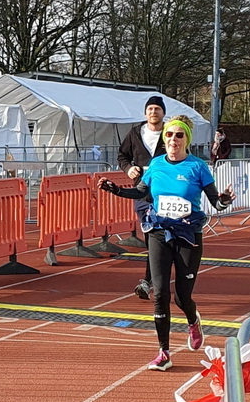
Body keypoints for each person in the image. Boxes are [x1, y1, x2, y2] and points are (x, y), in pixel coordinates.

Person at [99, 115, 235, 371]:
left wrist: (225, 200)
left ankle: (193, 320)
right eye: (169, 135)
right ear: (165, 139)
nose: (173, 139)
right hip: (159, 231)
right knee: (160, 293)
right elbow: (141, 191)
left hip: (188, 235)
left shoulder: (197, 167)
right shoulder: (156, 165)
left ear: (187, 140)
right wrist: (115, 189)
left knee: (182, 298)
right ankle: (164, 352)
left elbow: (215, 202)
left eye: (179, 135)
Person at [116, 95, 166, 300]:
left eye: (157, 109)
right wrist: (129, 169)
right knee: (150, 235)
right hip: (142, 192)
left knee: (161, 236)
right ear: (145, 113)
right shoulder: (135, 133)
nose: (153, 112)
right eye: (150, 109)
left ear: (163, 113)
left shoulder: (172, 133)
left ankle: (152, 279)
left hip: (166, 191)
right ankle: (151, 279)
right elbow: (122, 155)